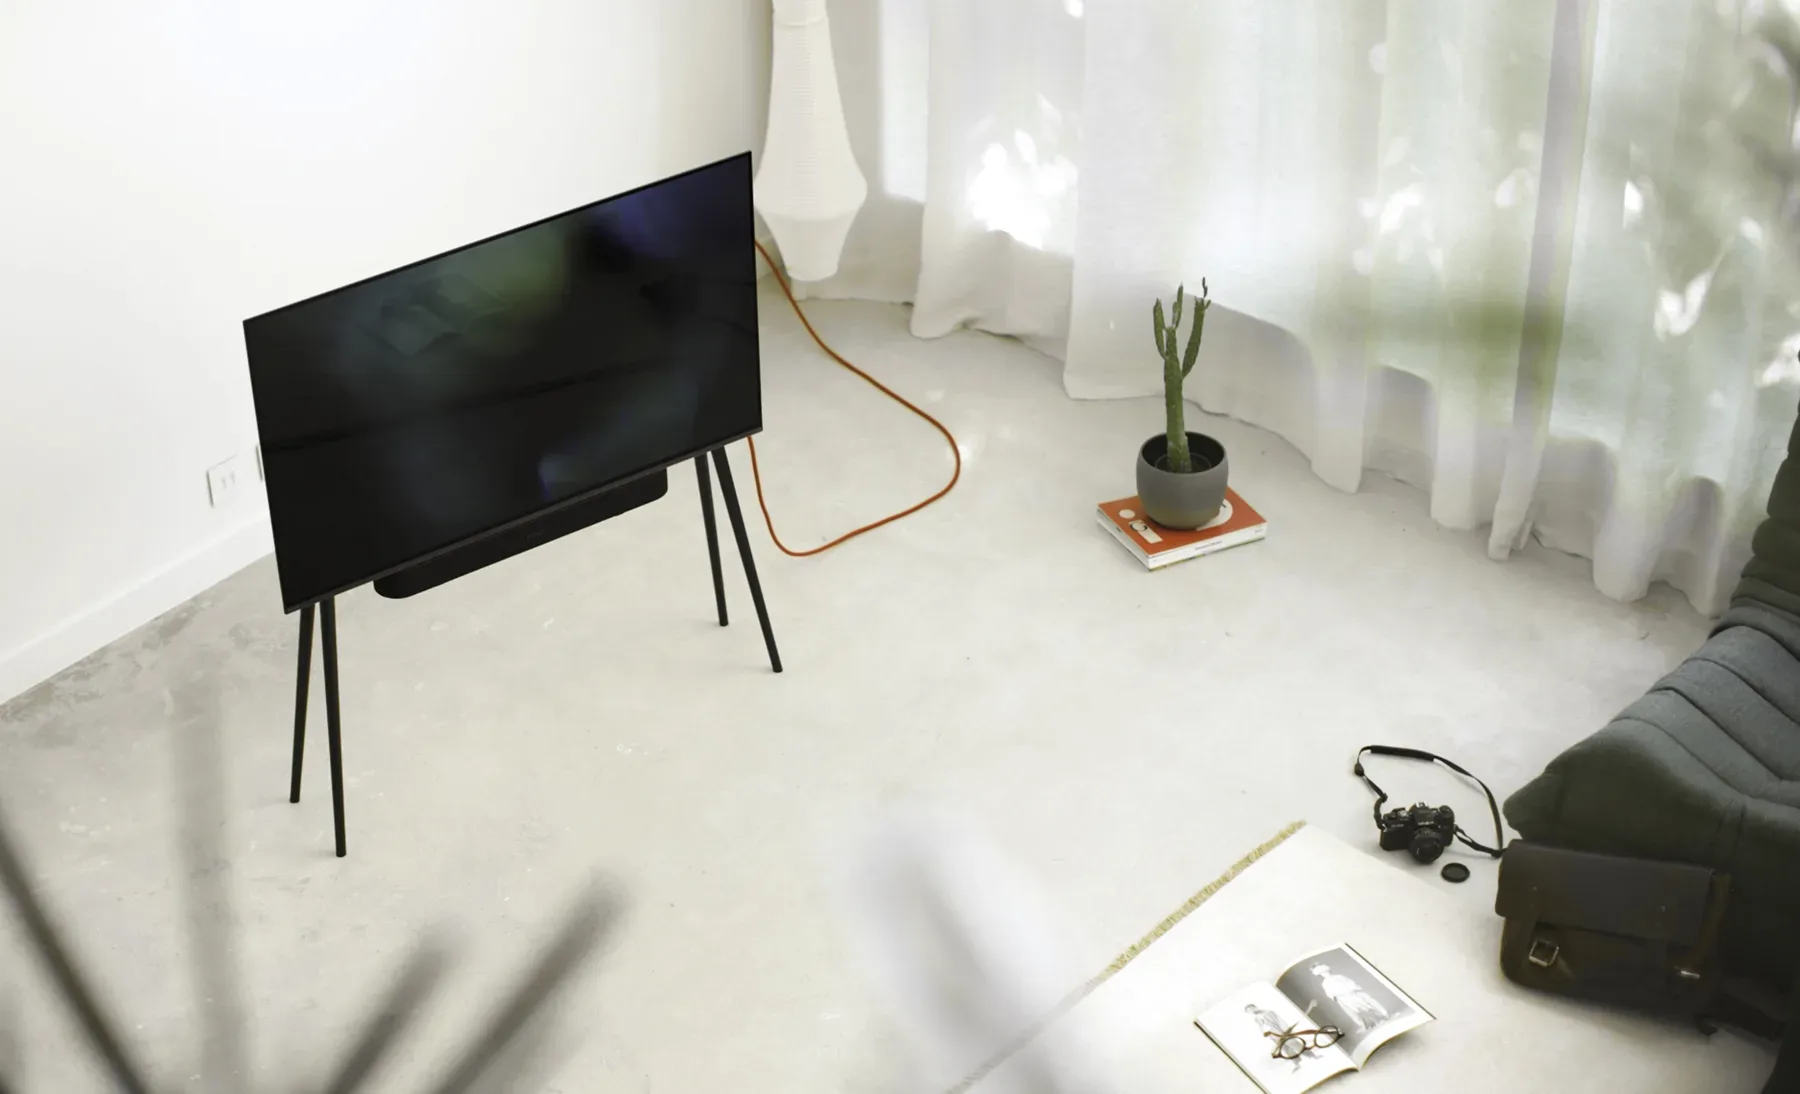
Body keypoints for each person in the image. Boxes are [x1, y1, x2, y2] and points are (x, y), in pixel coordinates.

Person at [1310, 963, 1390, 1032]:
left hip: (1352, 993)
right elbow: (1330, 993)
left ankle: (1382, 1015)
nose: (1325, 974)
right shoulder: (1325, 983)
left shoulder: (1338, 976)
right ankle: (1372, 1022)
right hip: (1344, 998)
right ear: (1320, 975)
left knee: (1366, 1004)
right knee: (1358, 1010)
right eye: (1323, 973)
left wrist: (1353, 989)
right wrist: (1338, 997)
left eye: (1326, 971)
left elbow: (1350, 983)